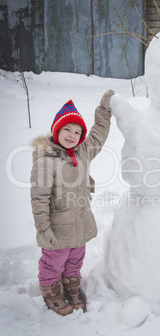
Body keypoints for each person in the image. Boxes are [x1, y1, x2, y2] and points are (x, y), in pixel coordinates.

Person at [30, 90, 114, 316]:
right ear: (56, 130)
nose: (72, 135)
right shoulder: (46, 160)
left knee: (76, 257)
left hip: (80, 222)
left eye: (77, 131)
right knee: (54, 261)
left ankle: (71, 284)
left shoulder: (83, 151)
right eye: (67, 129)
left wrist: (104, 111)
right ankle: (51, 289)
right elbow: (39, 198)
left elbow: (98, 135)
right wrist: (43, 228)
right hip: (57, 227)